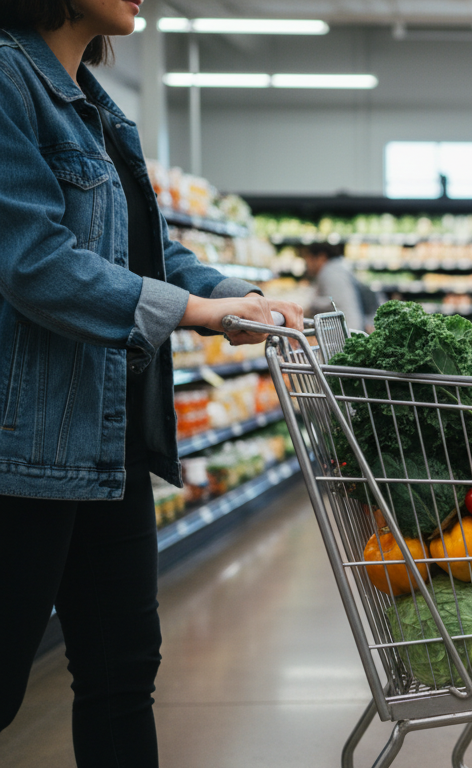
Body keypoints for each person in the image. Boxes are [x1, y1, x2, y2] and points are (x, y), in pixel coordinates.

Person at [0, 4, 304, 766]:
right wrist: (199, 310)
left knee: (123, 674)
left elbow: (153, 255)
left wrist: (239, 297)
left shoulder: (103, 112)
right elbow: (34, 262)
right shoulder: (8, 79)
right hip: (27, 446)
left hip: (112, 443)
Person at [302, 243, 367, 332]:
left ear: (321, 257)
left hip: (344, 329)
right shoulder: (339, 267)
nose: (307, 264)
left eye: (309, 259)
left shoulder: (329, 272)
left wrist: (310, 304)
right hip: (351, 326)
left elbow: (333, 301)